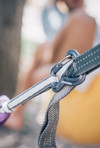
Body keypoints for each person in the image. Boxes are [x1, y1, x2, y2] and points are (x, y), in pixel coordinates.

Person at [6, 0, 100, 144]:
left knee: (46, 50)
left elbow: (65, 75)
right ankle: (17, 112)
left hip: (81, 110)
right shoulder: (78, 21)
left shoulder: (81, 20)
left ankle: (17, 112)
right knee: (45, 49)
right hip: (76, 109)